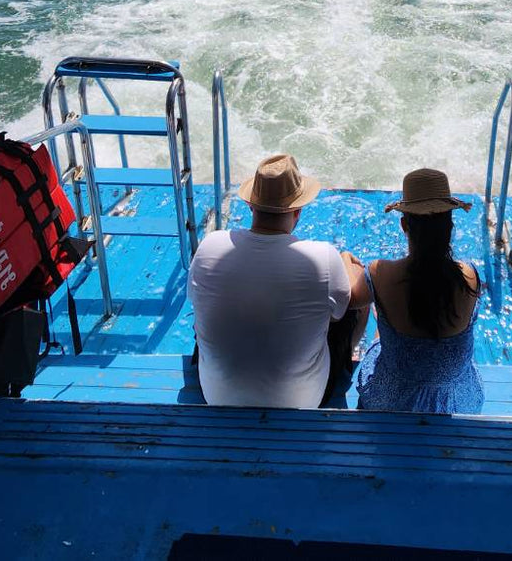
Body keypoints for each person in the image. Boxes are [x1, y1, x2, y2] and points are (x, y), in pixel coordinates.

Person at [188, 153, 370, 408]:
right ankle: (344, 360)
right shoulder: (323, 257)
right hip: (302, 401)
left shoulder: (209, 247)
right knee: (353, 305)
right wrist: (346, 262)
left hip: (216, 396)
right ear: (297, 211)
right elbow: (345, 306)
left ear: (251, 206)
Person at [356, 167, 484, 414]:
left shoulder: (379, 273)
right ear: (449, 224)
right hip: (456, 403)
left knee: (378, 320)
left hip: (389, 402)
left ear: (404, 224)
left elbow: (351, 301)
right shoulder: (469, 277)